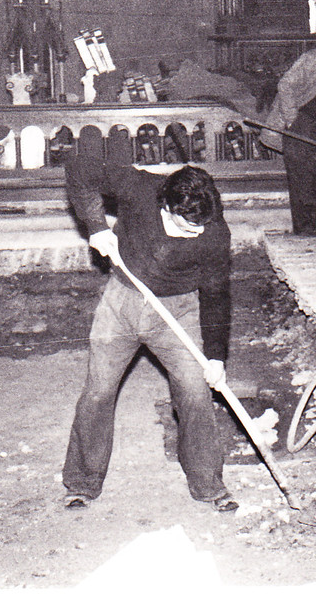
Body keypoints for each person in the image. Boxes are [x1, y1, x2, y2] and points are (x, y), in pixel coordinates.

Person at [61, 157, 238, 511]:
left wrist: (216, 356)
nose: (197, 233)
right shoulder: (140, 189)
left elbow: (216, 295)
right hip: (121, 302)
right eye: (187, 227)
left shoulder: (214, 233)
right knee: (98, 391)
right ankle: (82, 482)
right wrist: (96, 226)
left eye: (202, 226)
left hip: (177, 311)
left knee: (195, 390)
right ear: (166, 207)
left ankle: (208, 483)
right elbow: (80, 169)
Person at [259, 44, 316, 235]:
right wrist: (292, 119)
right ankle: (304, 227)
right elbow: (285, 85)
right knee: (301, 175)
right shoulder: (315, 59)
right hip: (301, 121)